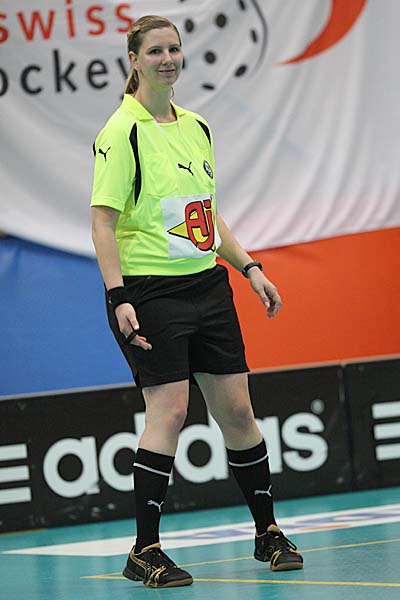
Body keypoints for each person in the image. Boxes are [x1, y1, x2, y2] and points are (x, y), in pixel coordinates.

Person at [90, 14, 303, 589]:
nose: (167, 59)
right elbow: (103, 222)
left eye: (174, 50)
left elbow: (204, 215)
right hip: (150, 291)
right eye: (155, 51)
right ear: (134, 60)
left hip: (207, 286)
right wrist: (117, 296)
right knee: (171, 411)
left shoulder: (197, 127)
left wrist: (249, 267)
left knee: (237, 410)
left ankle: (268, 534)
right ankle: (145, 551)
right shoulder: (122, 132)